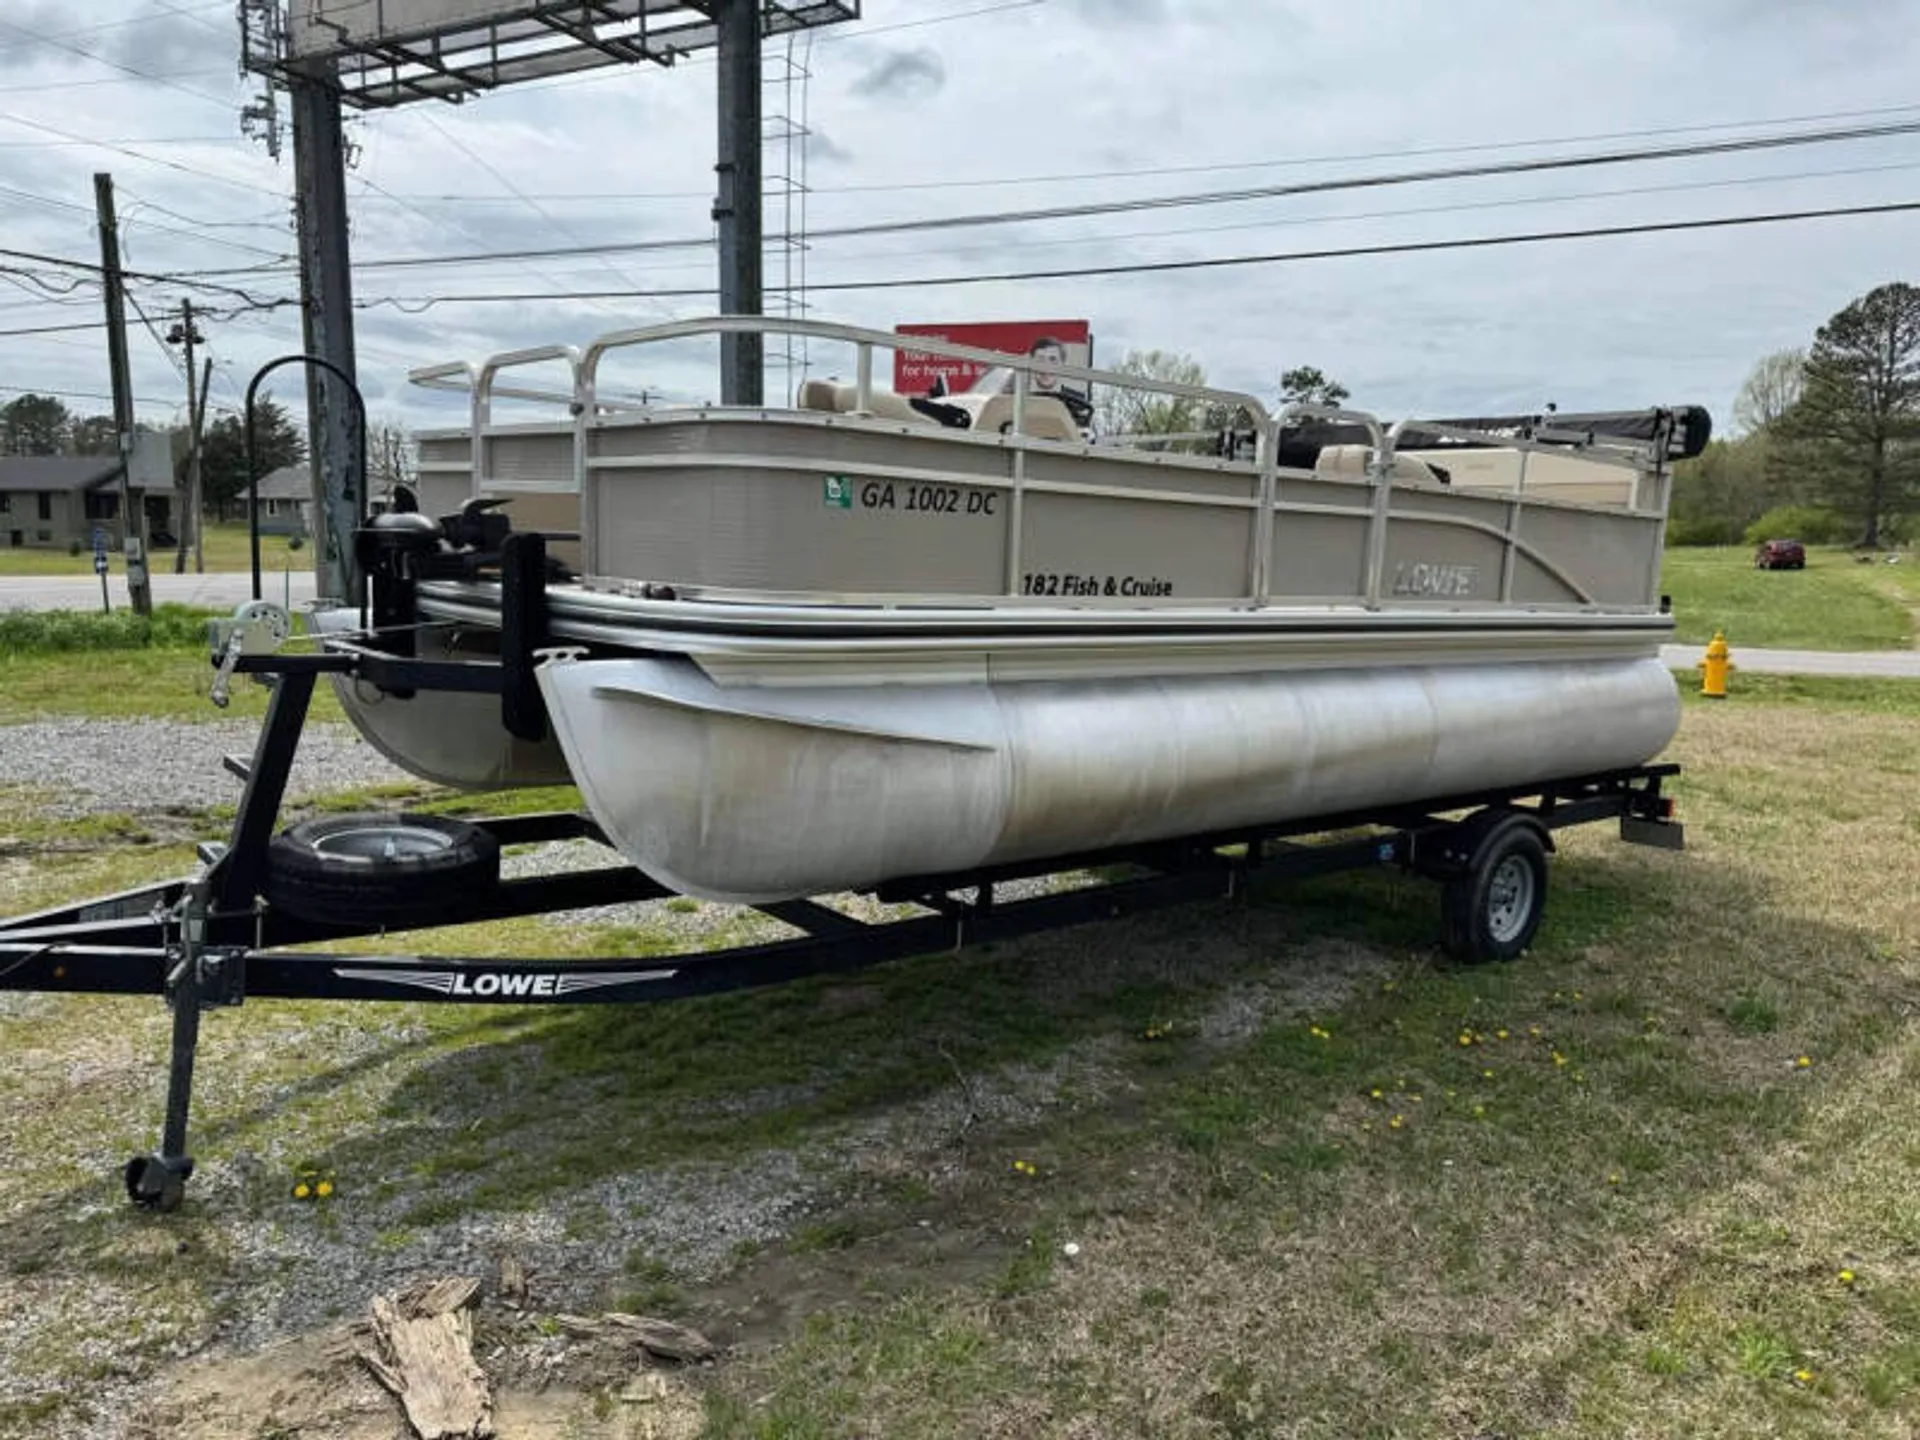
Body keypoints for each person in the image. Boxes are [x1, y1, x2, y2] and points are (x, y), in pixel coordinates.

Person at [1021, 335, 1094, 427]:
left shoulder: (1078, 403)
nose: (1046, 367)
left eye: (1053, 360)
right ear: (1031, 364)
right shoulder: (1017, 401)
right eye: (1040, 360)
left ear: (1062, 365)